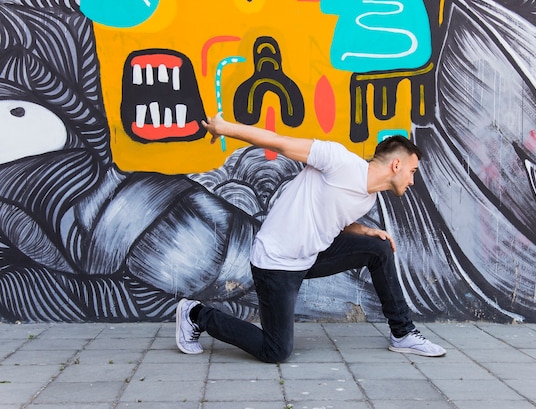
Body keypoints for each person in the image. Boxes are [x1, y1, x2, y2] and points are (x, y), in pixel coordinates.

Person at [175, 113, 446, 362]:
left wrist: (364, 230)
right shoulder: (338, 160)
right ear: (396, 164)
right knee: (276, 351)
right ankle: (196, 314)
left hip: (311, 257)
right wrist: (226, 128)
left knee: (379, 247)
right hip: (276, 264)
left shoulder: (367, 199)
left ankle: (402, 333)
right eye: (412, 172)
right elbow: (279, 142)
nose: (412, 181)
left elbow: (333, 219)